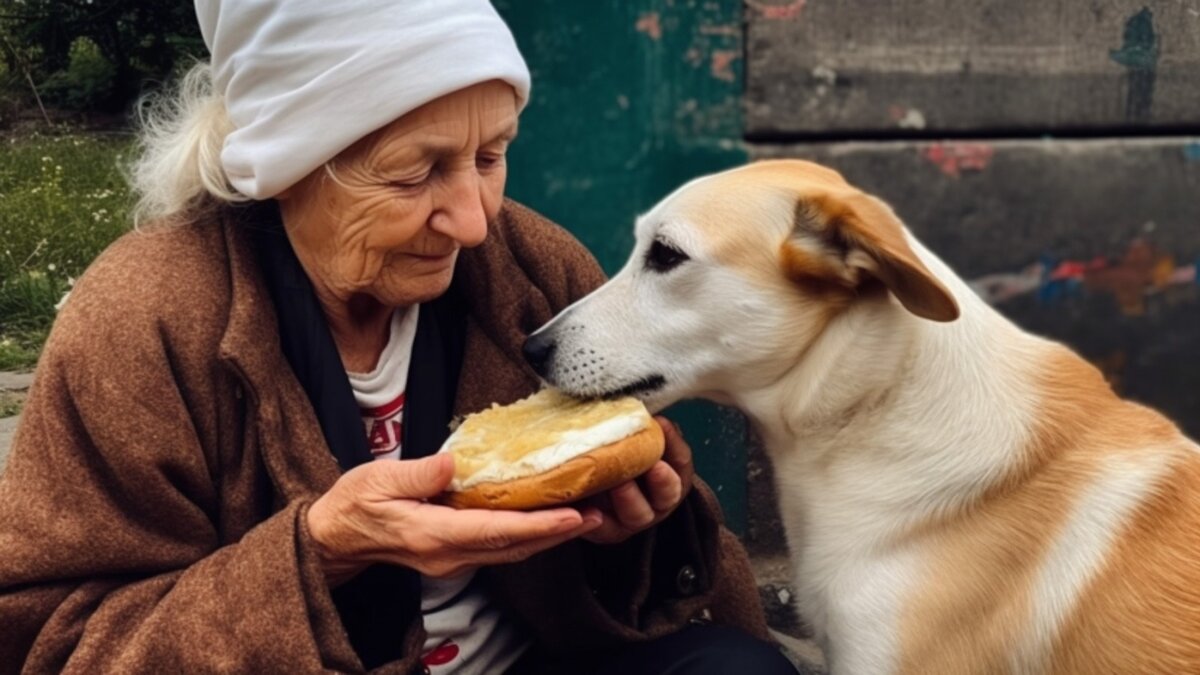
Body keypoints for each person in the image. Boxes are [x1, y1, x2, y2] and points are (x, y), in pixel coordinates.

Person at [0, 2, 798, 673]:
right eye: (416, 175)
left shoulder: (528, 266)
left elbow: (658, 584)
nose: (474, 218)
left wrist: (633, 534)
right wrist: (319, 550)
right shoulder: (147, 318)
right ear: (291, 166)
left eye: (492, 156)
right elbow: (52, 641)